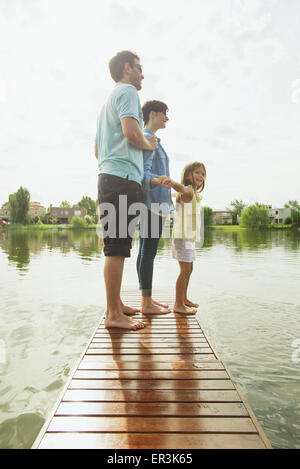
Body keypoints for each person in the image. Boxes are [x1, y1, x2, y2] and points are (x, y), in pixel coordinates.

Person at [94, 50, 159, 330]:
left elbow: (97, 149)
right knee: (117, 248)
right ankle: (113, 314)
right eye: (139, 68)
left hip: (111, 177)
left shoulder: (107, 102)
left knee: (117, 246)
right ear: (127, 68)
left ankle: (116, 305)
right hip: (121, 180)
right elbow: (133, 134)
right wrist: (149, 145)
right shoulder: (129, 92)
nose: (143, 74)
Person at [136, 100, 174, 314]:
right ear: (153, 114)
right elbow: (144, 173)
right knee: (148, 253)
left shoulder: (150, 138)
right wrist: (159, 181)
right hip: (152, 204)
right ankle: (146, 303)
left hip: (153, 203)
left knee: (144, 251)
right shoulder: (149, 138)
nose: (167, 118)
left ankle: (145, 299)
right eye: (164, 114)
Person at [171, 162, 206, 315]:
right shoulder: (187, 191)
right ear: (187, 175)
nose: (201, 176)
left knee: (189, 269)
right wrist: (171, 183)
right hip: (182, 238)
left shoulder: (194, 193)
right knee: (184, 270)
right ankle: (178, 304)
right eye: (197, 172)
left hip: (188, 238)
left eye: (203, 174)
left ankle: (184, 298)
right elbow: (180, 188)